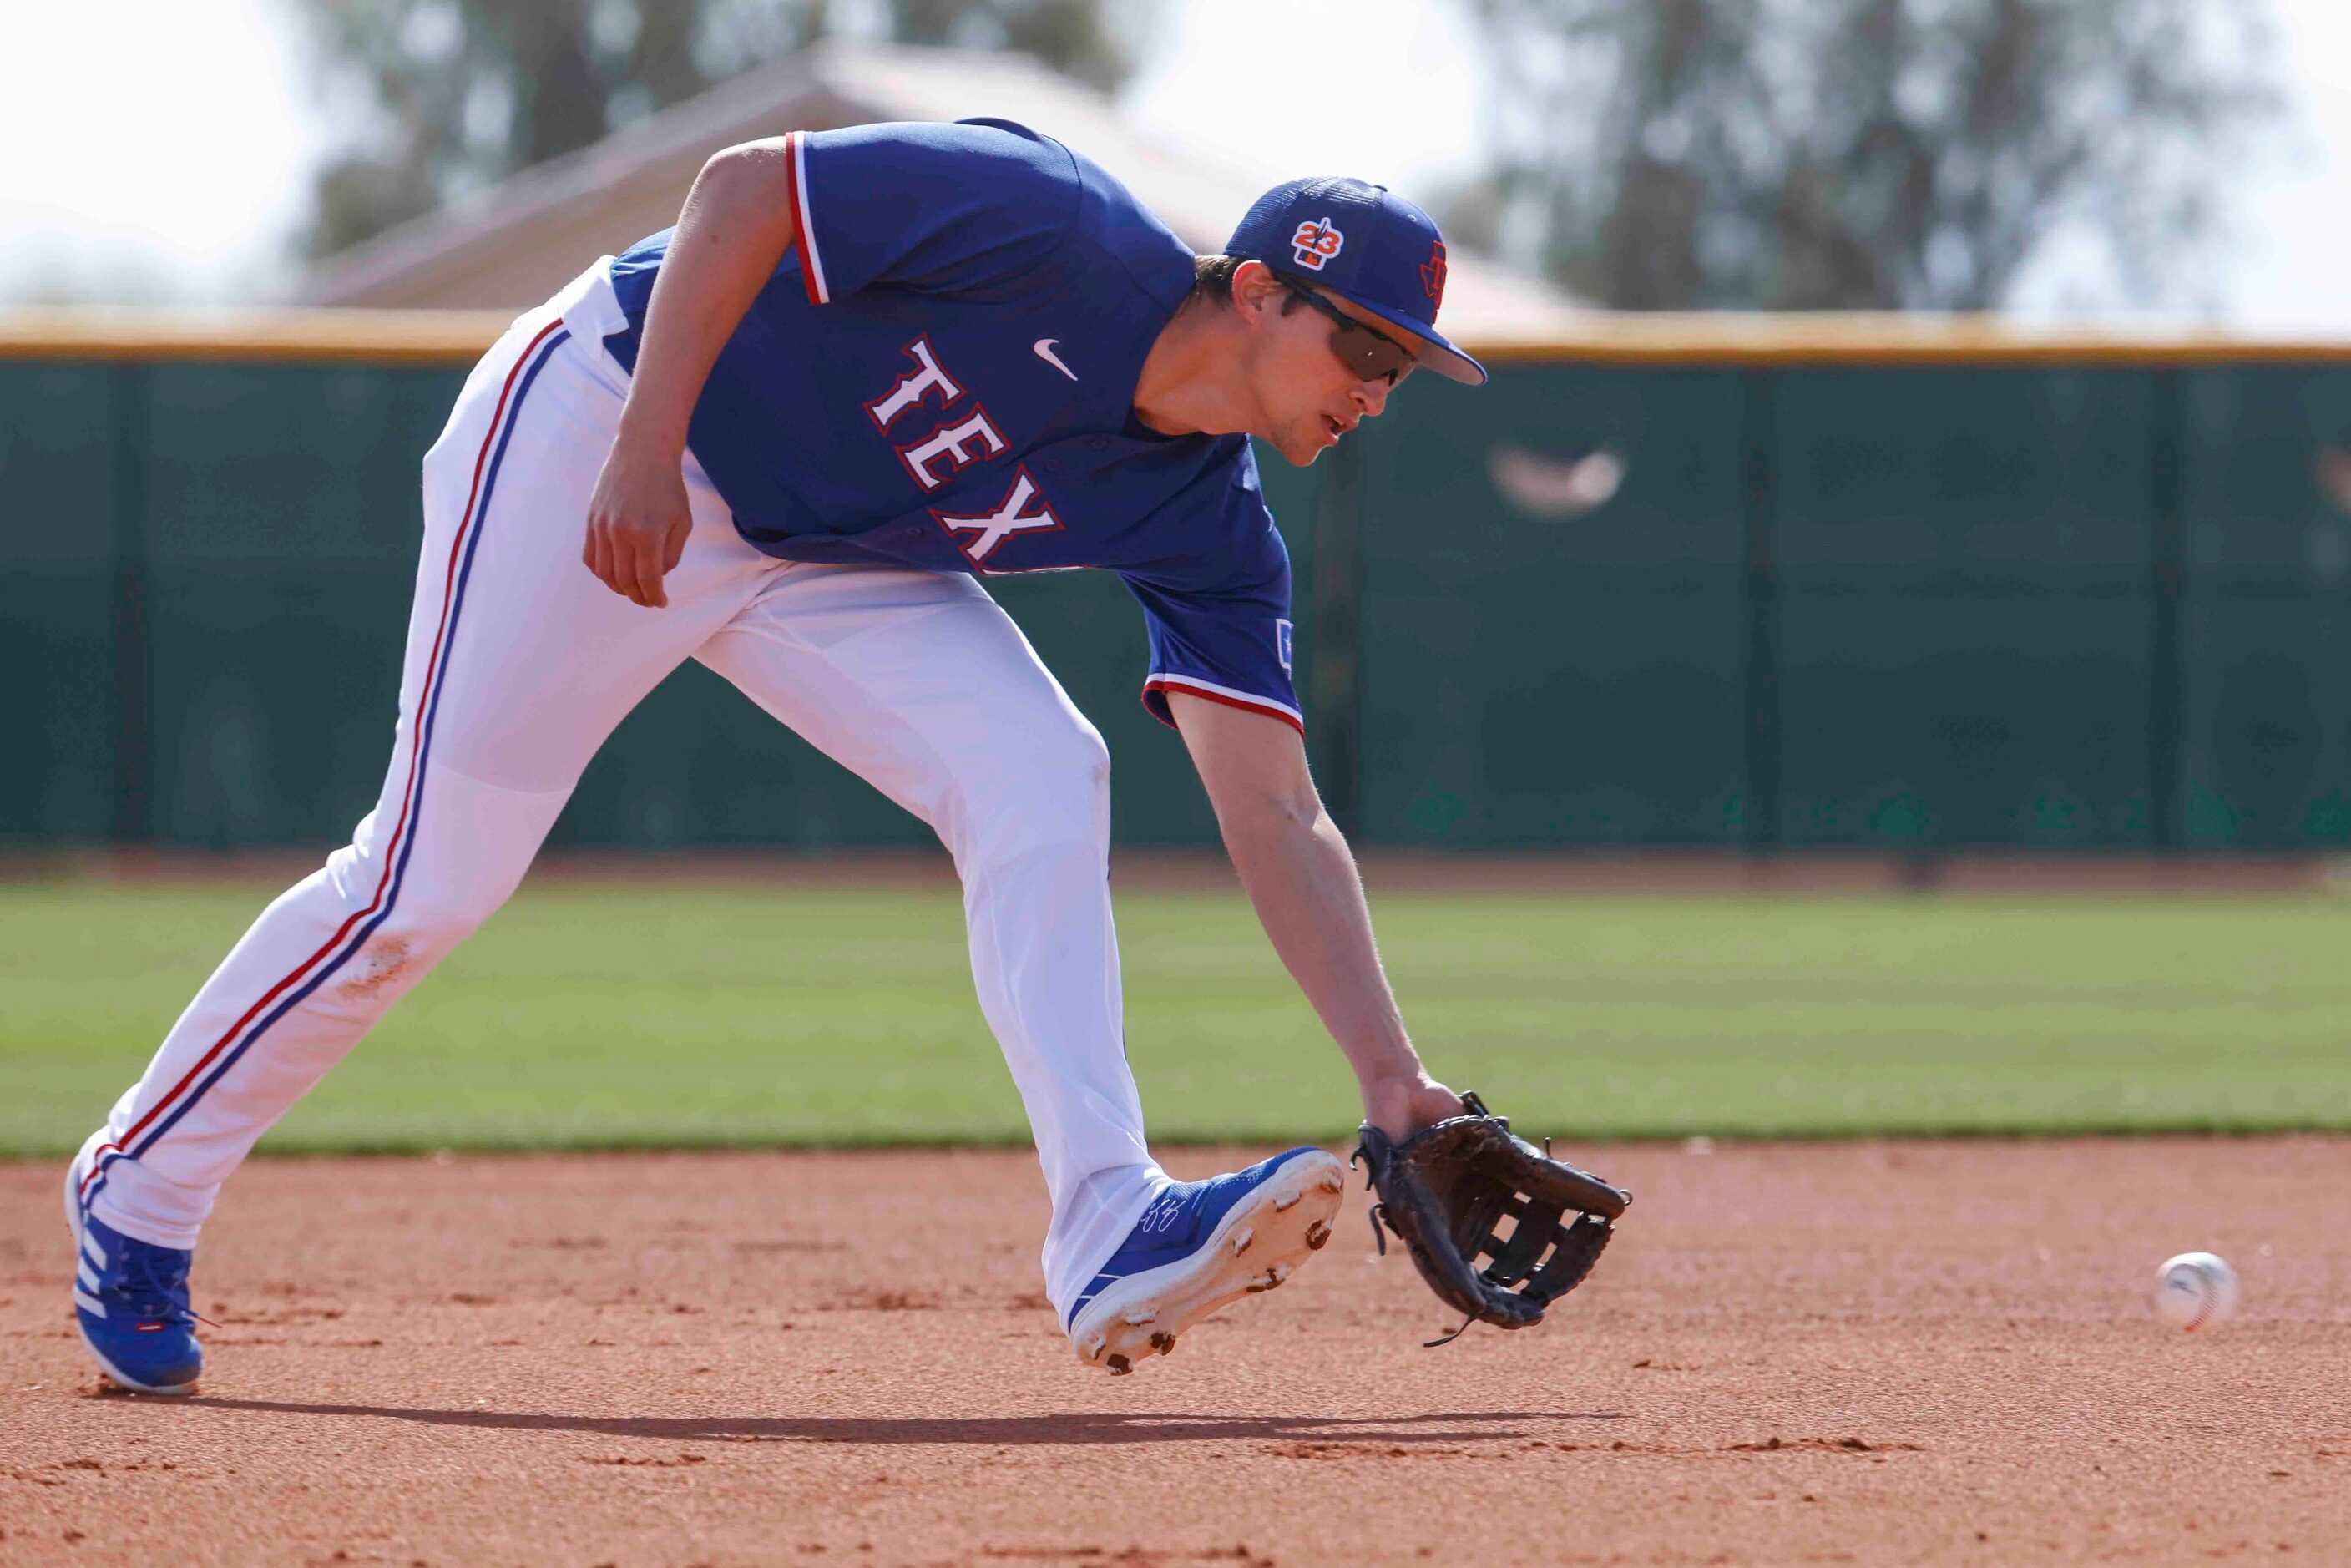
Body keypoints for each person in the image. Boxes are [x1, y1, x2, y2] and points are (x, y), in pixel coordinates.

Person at [66, 118, 1484, 1392]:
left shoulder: (1217, 532)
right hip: (608, 418)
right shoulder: (1052, 223)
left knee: (1044, 774)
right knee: (421, 884)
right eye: (1363, 344)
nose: (1376, 388)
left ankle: (1108, 1220)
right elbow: (739, 194)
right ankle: (138, 1187)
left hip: (811, 549)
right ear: (1253, 289)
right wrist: (643, 444)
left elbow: (1280, 813)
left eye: (1403, 368)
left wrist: (1390, 1076)